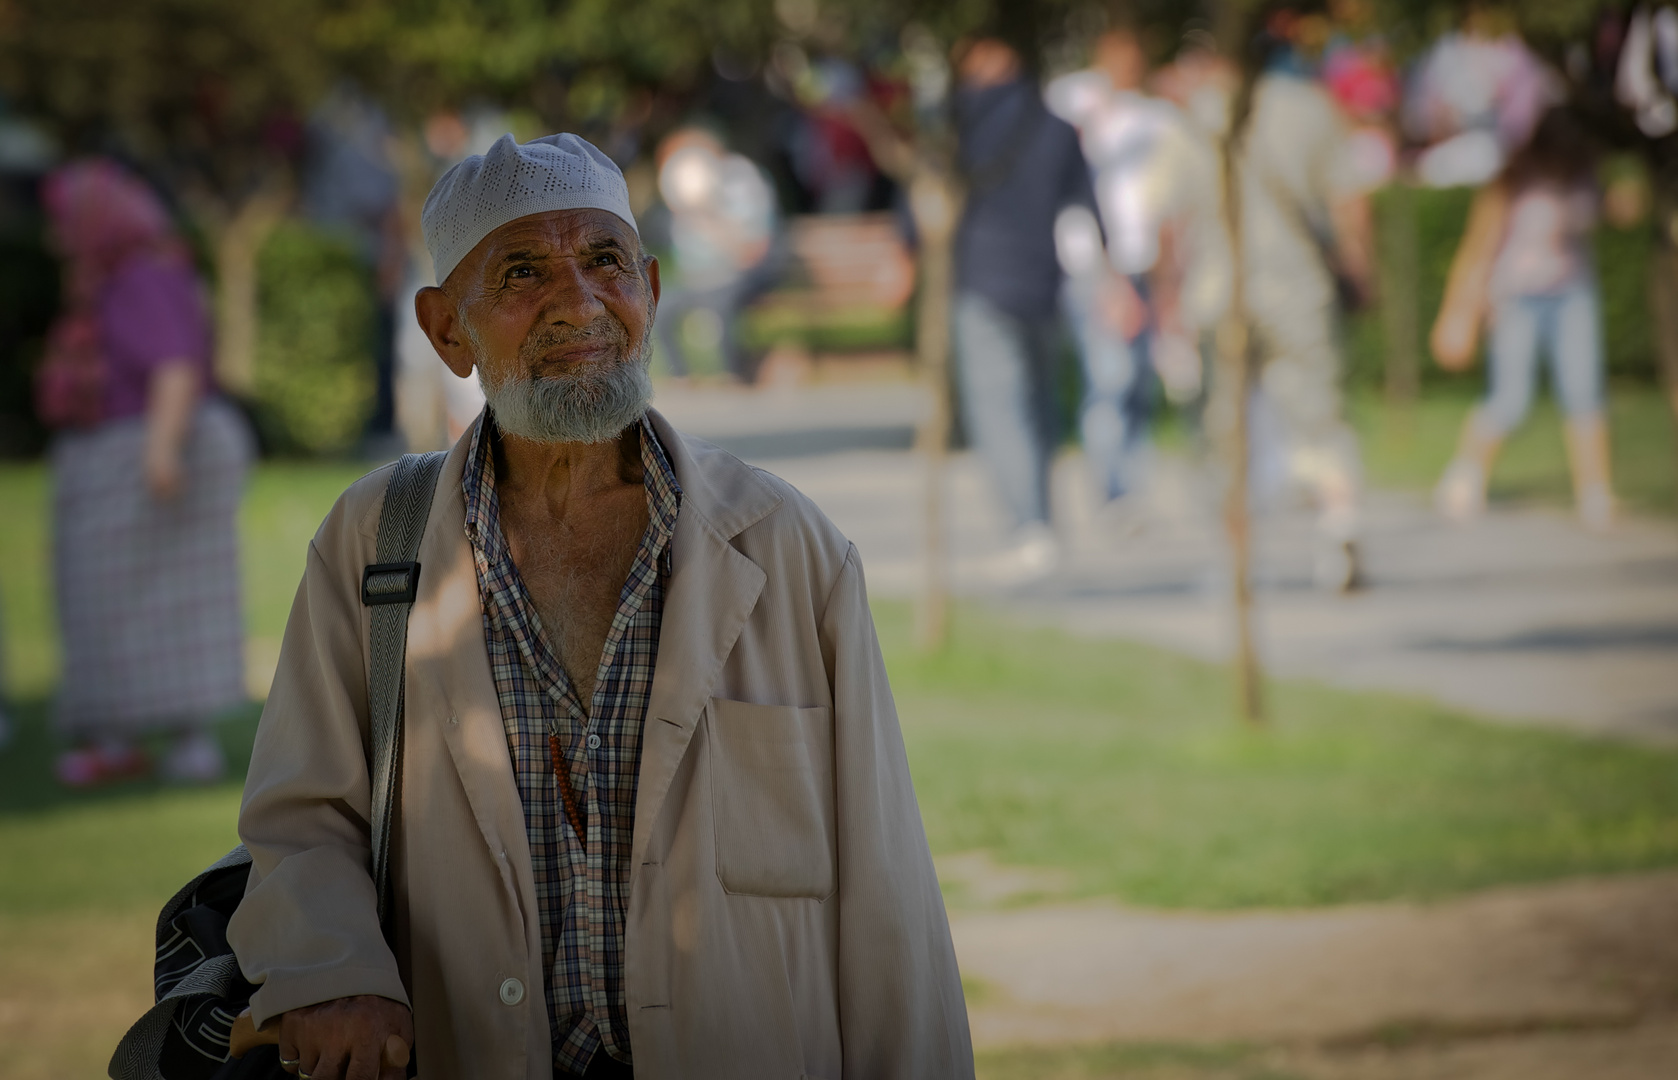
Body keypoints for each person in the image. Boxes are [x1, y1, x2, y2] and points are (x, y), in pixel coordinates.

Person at [228, 133, 972, 1080]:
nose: (577, 303)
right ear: (447, 330)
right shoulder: (377, 543)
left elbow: (888, 896)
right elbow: (302, 817)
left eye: (605, 261)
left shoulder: (787, 546)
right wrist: (336, 969)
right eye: (524, 272)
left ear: (652, 292)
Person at [39, 159, 252, 786]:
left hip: (150, 446)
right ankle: (121, 735)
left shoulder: (141, 276)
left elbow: (175, 367)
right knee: (111, 597)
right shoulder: (113, 278)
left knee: (162, 599)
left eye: (62, 221)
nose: (54, 235)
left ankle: (182, 739)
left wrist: (160, 453)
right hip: (123, 450)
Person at [1167, 11, 1378, 590]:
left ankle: (1235, 561)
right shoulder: (1312, 108)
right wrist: (1362, 273)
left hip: (1218, 288)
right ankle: (1339, 530)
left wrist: (1167, 299)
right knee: (1319, 414)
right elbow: (1349, 203)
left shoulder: (1196, 114)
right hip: (1296, 286)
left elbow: (1174, 219)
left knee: (1226, 429)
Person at [952, 35, 1097, 577]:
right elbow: (1085, 208)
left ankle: (1029, 526)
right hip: (1042, 283)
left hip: (980, 280)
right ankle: (1043, 520)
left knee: (999, 408)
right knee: (1040, 407)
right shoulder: (1056, 125)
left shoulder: (958, 124)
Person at [1431, 107, 1616, 530]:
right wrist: (1458, 314)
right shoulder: (1514, 178)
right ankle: (1465, 474)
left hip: (1572, 292)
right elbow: (1478, 246)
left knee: (1585, 391)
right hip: (1518, 296)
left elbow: (1604, 214)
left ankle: (1595, 494)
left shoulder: (1584, 176)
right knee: (1511, 398)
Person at [1046, 27, 1185, 515]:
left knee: (1138, 379)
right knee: (1110, 375)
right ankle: (1114, 488)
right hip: (1092, 263)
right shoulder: (1074, 102)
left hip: (1143, 262)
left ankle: (1127, 479)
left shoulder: (1156, 118)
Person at [651, 128, 782, 382]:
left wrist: (708, 216)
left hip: (737, 275)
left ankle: (736, 374)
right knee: (658, 308)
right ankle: (681, 377)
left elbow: (751, 249)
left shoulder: (741, 179)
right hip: (699, 278)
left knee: (721, 306)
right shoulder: (683, 186)